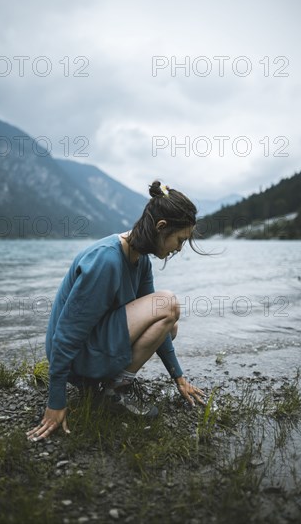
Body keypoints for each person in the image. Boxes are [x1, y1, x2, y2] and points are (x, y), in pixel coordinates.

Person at [27, 180, 205, 441]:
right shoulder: (106, 260)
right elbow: (66, 334)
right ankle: (114, 391)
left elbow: (159, 319)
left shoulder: (140, 259)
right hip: (76, 359)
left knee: (170, 321)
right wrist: (56, 401)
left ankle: (109, 386)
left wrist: (178, 377)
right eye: (179, 240)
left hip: (92, 349)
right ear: (161, 227)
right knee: (167, 303)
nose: (178, 249)